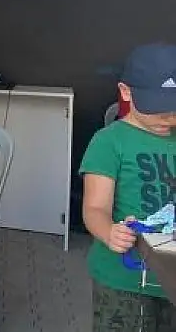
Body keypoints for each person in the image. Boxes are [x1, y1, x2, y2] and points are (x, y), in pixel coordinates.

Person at [80, 43, 176, 332]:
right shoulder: (109, 141)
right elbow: (95, 208)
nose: (168, 119)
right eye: (158, 110)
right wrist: (109, 231)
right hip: (123, 280)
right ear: (126, 92)